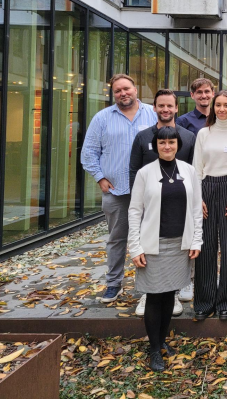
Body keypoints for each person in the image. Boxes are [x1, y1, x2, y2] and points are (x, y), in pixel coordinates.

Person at [127, 127, 203, 372]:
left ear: (178, 145)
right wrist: (135, 247)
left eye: (171, 142)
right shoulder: (145, 173)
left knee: (170, 294)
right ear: (156, 145)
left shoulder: (189, 171)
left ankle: (161, 342)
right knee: (154, 296)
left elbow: (196, 210)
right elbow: (135, 211)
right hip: (153, 244)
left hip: (180, 243)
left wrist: (196, 241)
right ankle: (153, 349)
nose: (167, 146)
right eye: (162, 142)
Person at [81, 74, 157, 303]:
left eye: (126, 88)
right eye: (117, 90)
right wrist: (100, 178)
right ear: (113, 94)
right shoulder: (102, 118)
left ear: (136, 89)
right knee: (116, 239)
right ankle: (113, 283)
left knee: (151, 238)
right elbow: (89, 152)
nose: (123, 93)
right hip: (117, 191)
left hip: (151, 191)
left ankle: (149, 287)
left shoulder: (153, 114)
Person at [129, 89, 197, 316]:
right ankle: (148, 293)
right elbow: (134, 170)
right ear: (154, 108)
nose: (165, 109)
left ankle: (175, 289)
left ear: (176, 108)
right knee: (150, 252)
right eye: (161, 105)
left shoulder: (188, 137)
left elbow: (193, 171)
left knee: (177, 248)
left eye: (170, 105)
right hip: (150, 203)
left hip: (178, 203)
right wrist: (138, 200)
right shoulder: (142, 137)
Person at [193, 90, 227, 321]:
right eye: (218, 105)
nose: (222, 109)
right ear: (213, 107)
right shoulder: (203, 133)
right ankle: (204, 302)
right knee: (205, 248)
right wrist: (198, 200)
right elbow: (196, 169)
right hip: (206, 189)